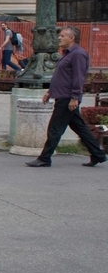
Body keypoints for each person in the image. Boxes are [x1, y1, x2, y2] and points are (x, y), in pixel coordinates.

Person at [27, 26, 106, 168]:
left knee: (54, 128)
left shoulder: (78, 54)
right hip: (63, 95)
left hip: (67, 97)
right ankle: (98, 154)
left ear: (72, 38)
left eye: (62, 35)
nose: (59, 38)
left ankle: (44, 158)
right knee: (80, 127)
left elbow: (78, 77)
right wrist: (50, 92)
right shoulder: (67, 53)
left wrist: (74, 97)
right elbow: (61, 76)